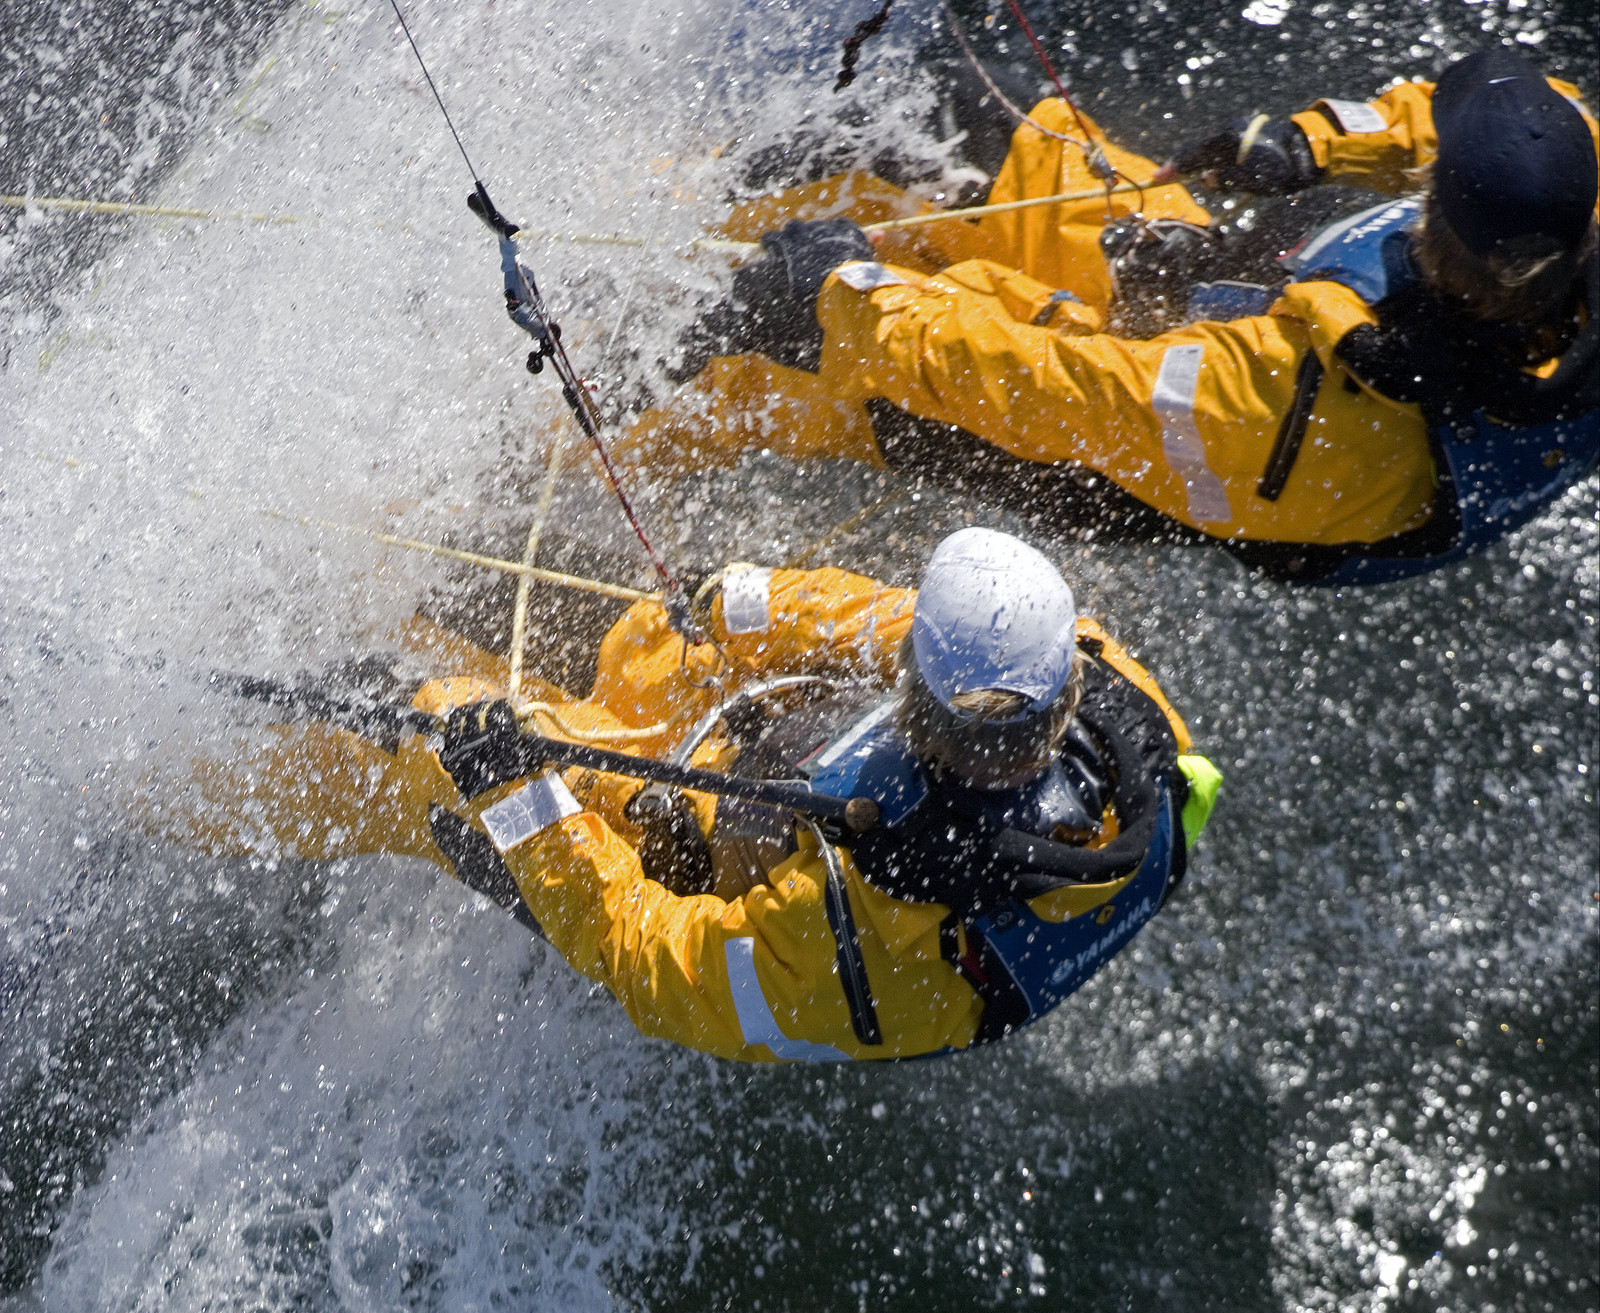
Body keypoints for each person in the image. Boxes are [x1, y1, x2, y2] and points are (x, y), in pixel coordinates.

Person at [165, 532, 1221, 1061]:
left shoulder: (852, 936)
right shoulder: (1122, 712)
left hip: (691, 873)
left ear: (918, 703)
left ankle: (149, 789)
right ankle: (351, 603)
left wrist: (523, 802)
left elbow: (649, 963)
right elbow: (875, 620)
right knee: (637, 636)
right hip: (775, 790)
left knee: (419, 744)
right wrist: (739, 606)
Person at [619, 47, 1598, 585]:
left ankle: (540, 429)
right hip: (1210, 303)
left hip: (1117, 449)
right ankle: (644, 207)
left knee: (762, 360)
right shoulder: (1566, 206)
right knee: (940, 128)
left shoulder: (1303, 419)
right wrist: (1314, 146)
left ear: (1433, 211)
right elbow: (1521, 103)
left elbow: (1054, 388)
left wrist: (847, 302)